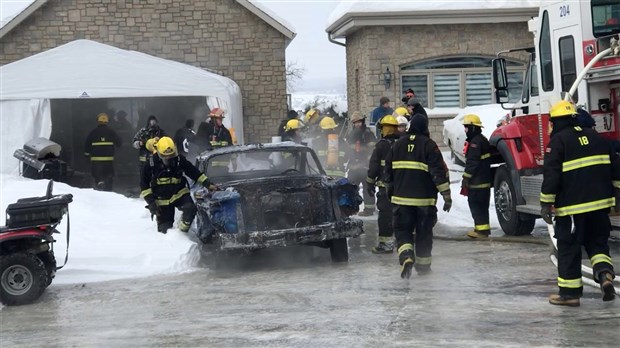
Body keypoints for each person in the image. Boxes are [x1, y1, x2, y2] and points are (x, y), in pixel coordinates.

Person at [541, 100, 620, 306]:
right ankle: (605, 275)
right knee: (598, 244)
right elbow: (616, 169)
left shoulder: (558, 142)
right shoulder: (597, 138)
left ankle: (569, 294)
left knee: (569, 249)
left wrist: (545, 203)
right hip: (600, 208)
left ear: (557, 121)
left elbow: (551, 176)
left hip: (572, 211)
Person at [384, 113, 452, 279]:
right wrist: (446, 195)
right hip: (425, 201)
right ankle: (423, 267)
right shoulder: (429, 146)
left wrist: (389, 190)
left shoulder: (397, 144)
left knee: (402, 230)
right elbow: (438, 173)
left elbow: (388, 171)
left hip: (401, 200)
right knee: (424, 233)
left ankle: (406, 256)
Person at [140, 136, 214, 234]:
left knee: (190, 209)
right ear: (159, 154)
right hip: (162, 201)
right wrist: (151, 203)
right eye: (166, 158)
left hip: (179, 194)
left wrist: (208, 184)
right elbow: (144, 186)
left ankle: (182, 233)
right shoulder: (150, 165)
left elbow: (193, 172)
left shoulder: (179, 160)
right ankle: (174, 242)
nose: (169, 160)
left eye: (171, 156)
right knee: (164, 231)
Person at [366, 115, 401, 254]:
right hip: (401, 187)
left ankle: (385, 244)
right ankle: (402, 242)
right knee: (400, 214)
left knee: (385, 215)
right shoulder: (401, 143)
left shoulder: (381, 145)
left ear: (384, 129)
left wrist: (369, 183)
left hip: (385, 188)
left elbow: (374, 166)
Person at [460, 114, 492, 239]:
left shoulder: (475, 143)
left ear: (473, 128)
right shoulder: (482, 139)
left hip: (477, 182)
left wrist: (466, 178)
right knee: (483, 206)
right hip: (484, 181)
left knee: (476, 205)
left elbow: (472, 162)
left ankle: (481, 232)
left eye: (467, 127)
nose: (465, 130)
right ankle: (483, 229)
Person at [346, 111, 377, 216]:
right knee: (351, 188)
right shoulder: (351, 134)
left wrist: (367, 162)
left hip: (365, 167)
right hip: (354, 166)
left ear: (363, 122)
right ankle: (350, 209)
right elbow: (348, 150)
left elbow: (373, 150)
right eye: (355, 123)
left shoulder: (368, 133)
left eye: (359, 122)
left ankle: (369, 210)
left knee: (368, 188)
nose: (358, 124)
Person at [84, 113, 122, 191]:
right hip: (108, 159)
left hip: (96, 160)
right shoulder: (111, 132)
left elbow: (87, 144)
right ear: (107, 122)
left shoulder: (93, 132)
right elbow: (119, 143)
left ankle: (100, 183)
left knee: (97, 174)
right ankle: (108, 188)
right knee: (108, 174)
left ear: (98, 121)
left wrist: (87, 155)